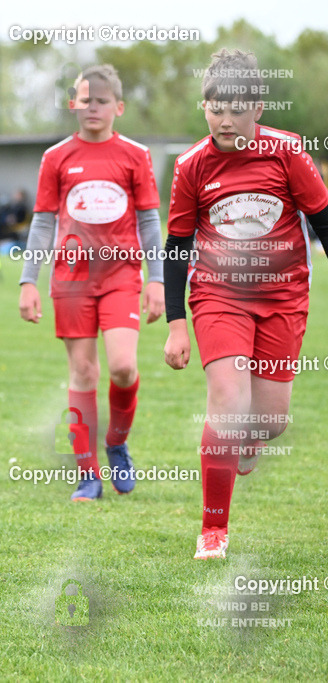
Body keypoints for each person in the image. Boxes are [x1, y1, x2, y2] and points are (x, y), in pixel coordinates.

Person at [162, 49, 328, 560]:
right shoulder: (191, 165)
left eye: (237, 107)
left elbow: (323, 220)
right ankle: (213, 531)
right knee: (228, 404)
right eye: (216, 106)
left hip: (283, 297)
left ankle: (251, 441)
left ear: (258, 106)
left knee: (270, 421)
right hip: (218, 296)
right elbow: (177, 247)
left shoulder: (289, 152)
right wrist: (176, 324)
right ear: (204, 106)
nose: (226, 118)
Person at [18, 64, 164, 501]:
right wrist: (28, 280)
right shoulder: (56, 157)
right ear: (73, 103)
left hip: (121, 274)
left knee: (122, 366)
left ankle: (117, 444)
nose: (92, 107)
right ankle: (88, 474)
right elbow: (43, 224)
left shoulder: (135, 155)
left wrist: (156, 280)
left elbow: (150, 222)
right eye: (85, 99)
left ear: (118, 106)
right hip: (72, 278)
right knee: (82, 371)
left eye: (101, 101)